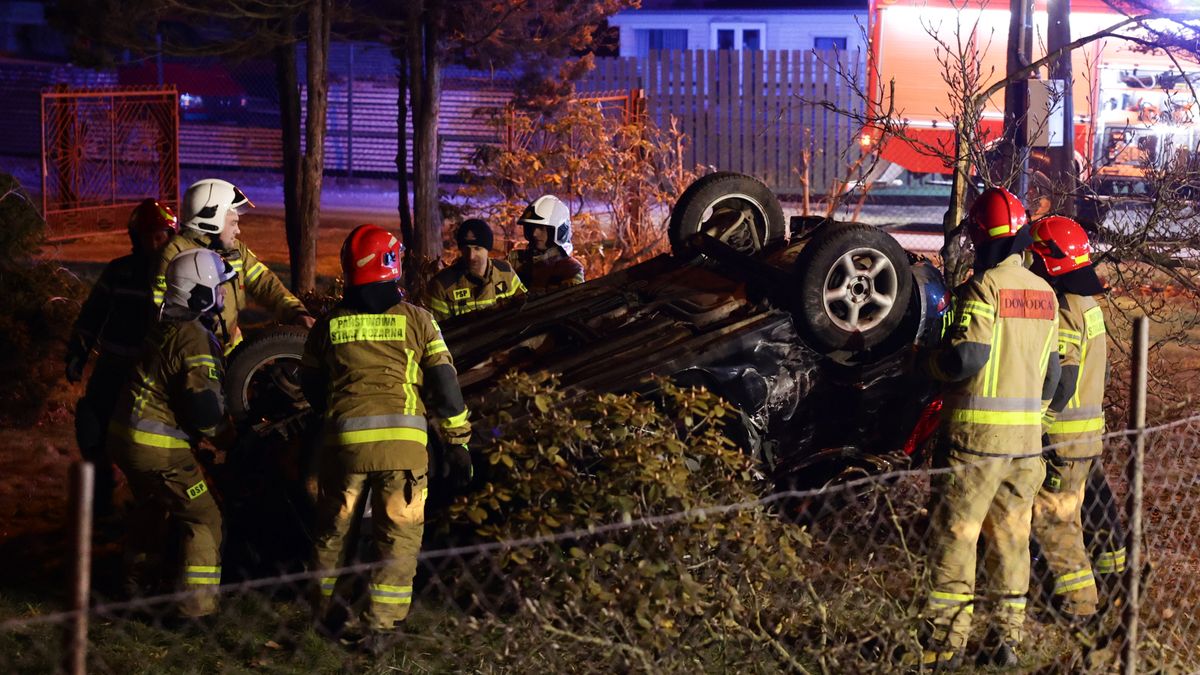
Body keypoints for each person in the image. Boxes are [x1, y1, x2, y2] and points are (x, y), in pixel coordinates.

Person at [302, 224, 473, 650]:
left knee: (334, 533)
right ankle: (380, 627)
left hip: (345, 450)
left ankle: (325, 619)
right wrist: (458, 442)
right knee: (398, 535)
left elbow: (310, 382)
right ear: (392, 266)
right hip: (403, 452)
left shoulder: (329, 326)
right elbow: (446, 387)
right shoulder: (419, 320)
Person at [917, 187, 1061, 667]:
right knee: (1012, 542)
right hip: (1026, 447)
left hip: (974, 445)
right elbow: (1055, 376)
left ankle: (943, 645)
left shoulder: (984, 289)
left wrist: (926, 364)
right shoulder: (1045, 294)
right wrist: (1031, 421)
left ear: (981, 239)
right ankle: (1006, 644)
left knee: (956, 538)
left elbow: (966, 358)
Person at [107, 248, 234, 619]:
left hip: (125, 436)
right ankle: (195, 610)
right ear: (201, 292)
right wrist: (229, 439)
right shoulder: (195, 338)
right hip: (157, 446)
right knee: (204, 515)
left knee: (154, 506)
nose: (224, 295)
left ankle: (135, 585)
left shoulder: (165, 325)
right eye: (219, 288)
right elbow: (204, 410)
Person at [1028, 215, 1116, 633]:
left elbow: (1062, 378)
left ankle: (1080, 606)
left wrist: (1039, 423)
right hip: (1086, 434)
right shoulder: (1091, 306)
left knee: (1053, 522)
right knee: (1071, 518)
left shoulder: (1063, 309)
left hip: (1060, 437)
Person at [67, 198, 180, 517]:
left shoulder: (180, 276)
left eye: (162, 236)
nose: (156, 243)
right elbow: (92, 315)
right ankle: (101, 501)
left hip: (155, 374)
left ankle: (157, 509)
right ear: (136, 237)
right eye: (150, 236)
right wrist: (78, 352)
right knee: (91, 426)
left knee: (153, 441)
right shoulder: (119, 272)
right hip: (113, 369)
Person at [153, 178, 313, 354]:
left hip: (230, 351)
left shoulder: (236, 250)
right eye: (233, 223)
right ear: (210, 220)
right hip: (191, 353)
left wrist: (297, 313)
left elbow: (266, 284)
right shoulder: (175, 252)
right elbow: (160, 309)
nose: (238, 230)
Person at [425, 218, 526, 320]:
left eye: (477, 248)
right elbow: (434, 331)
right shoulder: (442, 285)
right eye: (466, 248)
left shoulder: (505, 272)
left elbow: (524, 305)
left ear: (488, 249)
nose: (471, 256)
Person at [511, 195, 585, 292]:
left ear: (559, 231)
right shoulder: (515, 260)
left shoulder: (570, 269)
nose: (534, 234)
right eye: (531, 227)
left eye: (541, 228)